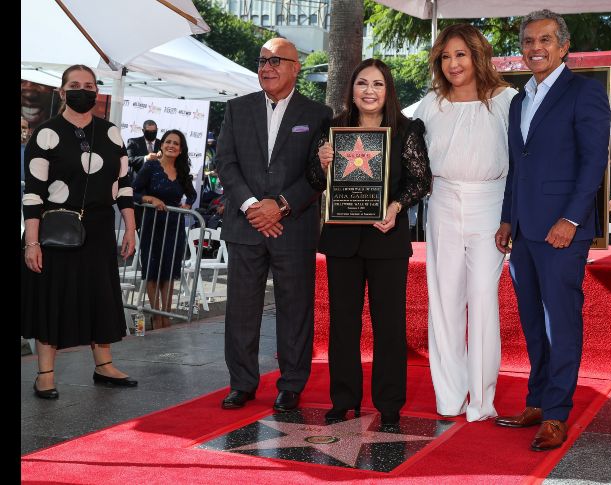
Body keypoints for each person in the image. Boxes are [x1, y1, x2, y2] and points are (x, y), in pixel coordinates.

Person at [493, 9, 611, 451]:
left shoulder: (584, 93)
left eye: (545, 39)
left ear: (564, 46)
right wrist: (508, 218)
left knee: (560, 323)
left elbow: (593, 162)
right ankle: (539, 401)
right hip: (523, 231)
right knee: (531, 322)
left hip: (564, 230)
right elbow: (515, 169)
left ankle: (558, 415)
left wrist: (573, 219)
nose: (535, 47)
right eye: (527, 40)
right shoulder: (519, 99)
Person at [306, 59, 432, 426]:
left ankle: (389, 404)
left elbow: (421, 181)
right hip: (341, 241)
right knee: (343, 325)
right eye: (362, 83)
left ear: (387, 89)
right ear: (352, 89)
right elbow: (315, 180)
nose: (369, 91)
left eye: (377, 84)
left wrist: (394, 207)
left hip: (387, 240)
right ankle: (344, 399)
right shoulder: (333, 128)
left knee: (388, 325)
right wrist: (323, 162)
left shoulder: (406, 130)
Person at [216, 38, 333, 411]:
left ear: (296, 67)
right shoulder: (237, 109)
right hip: (245, 224)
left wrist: (280, 207)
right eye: (262, 60)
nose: (266, 67)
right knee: (240, 309)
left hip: (292, 226)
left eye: (276, 60)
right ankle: (242, 383)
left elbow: (318, 174)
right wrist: (253, 206)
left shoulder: (319, 114)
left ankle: (292, 384)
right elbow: (226, 163)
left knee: (295, 308)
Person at [413, 23, 516, 422]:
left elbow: (522, 162)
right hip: (440, 200)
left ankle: (482, 400)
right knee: (444, 300)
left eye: (461, 54)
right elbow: (406, 153)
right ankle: (450, 395)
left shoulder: (508, 100)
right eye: (446, 56)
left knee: (483, 301)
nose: (453, 63)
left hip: (491, 202)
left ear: (478, 55)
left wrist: (512, 217)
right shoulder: (431, 104)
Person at [21, 64, 138, 399]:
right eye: (75, 84)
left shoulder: (112, 133)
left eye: (89, 85)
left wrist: (130, 228)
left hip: (99, 230)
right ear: (62, 92)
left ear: (96, 92)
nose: (82, 90)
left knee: (99, 296)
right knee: (53, 300)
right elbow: (32, 195)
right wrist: (32, 242)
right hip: (56, 230)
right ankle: (45, 374)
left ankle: (104, 365)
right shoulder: (46, 133)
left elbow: (124, 186)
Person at [132, 129, 197, 330]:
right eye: (168, 141)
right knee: (152, 271)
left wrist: (187, 206)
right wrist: (150, 199)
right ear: (162, 145)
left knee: (169, 271)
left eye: (176, 143)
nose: (171, 145)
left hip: (173, 228)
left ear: (181, 149)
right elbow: (134, 191)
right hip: (152, 225)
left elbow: (192, 195)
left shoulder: (182, 171)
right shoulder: (150, 166)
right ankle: (155, 315)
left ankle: (166, 315)